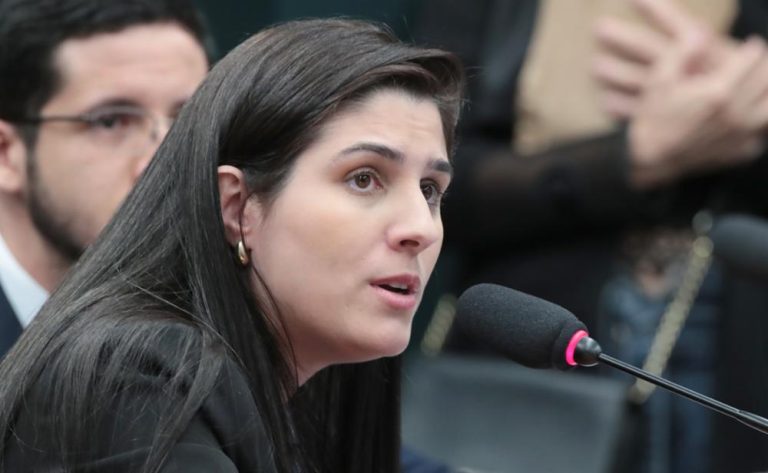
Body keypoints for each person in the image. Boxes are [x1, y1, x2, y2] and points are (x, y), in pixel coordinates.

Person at [0, 17, 464, 472]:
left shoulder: (320, 389)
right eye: (364, 179)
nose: (419, 227)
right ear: (238, 207)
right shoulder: (137, 382)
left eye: (430, 189)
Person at [412, 0, 768, 472]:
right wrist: (636, 156)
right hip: (537, 325)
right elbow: (431, 177)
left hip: (733, 328)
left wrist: (745, 98)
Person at [0, 0, 211, 358]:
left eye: (187, 120)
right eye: (111, 122)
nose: (161, 163)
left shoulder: (227, 331)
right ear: (6, 154)